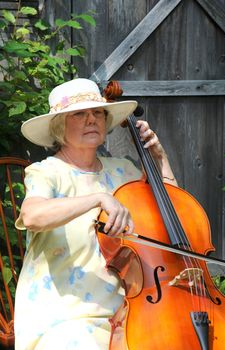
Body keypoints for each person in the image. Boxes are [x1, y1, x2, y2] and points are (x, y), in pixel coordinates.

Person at [14, 78, 177, 350]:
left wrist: (160, 158)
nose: (92, 120)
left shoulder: (122, 170)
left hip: (126, 309)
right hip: (64, 314)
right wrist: (97, 199)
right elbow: (32, 216)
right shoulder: (46, 172)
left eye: (98, 112)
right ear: (59, 126)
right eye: (79, 114)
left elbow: (171, 212)